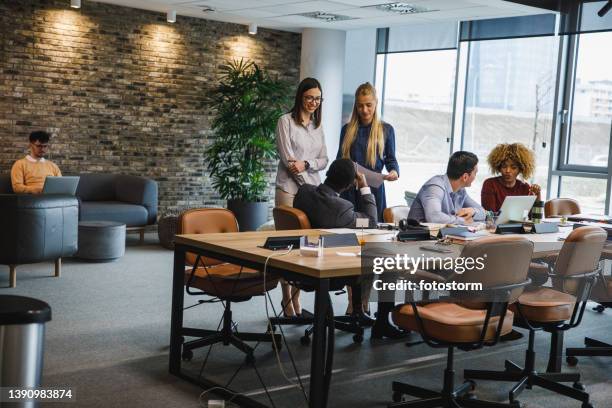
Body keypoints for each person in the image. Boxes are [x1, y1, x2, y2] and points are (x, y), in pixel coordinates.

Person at [294, 158, 406, 339]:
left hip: (301, 260)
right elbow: (370, 222)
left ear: (329, 172)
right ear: (348, 186)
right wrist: (364, 186)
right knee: (387, 262)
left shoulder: (304, 192)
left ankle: (358, 312)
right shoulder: (341, 209)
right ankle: (382, 323)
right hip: (331, 268)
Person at [275, 77, 329, 318]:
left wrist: (307, 163)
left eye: (317, 99)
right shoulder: (285, 122)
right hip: (289, 190)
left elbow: (324, 160)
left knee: (306, 248)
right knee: (287, 247)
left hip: (312, 192)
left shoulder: (318, 126)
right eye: (309, 98)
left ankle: (297, 299)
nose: (313, 102)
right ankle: (286, 299)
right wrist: (305, 182)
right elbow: (289, 162)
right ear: (300, 97)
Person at [337, 82, 399, 222]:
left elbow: (391, 159)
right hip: (350, 192)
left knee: (372, 229)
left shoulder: (387, 130)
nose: (364, 110)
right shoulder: (346, 130)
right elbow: (339, 161)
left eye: (368, 105)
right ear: (356, 106)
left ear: (376, 103)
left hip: (374, 191)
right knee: (350, 229)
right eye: (360, 105)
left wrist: (394, 171)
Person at [408, 151, 485, 224]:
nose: (475, 176)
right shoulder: (435, 187)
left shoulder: (460, 191)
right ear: (465, 177)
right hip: (420, 236)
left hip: (443, 235)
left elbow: (483, 212)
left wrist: (473, 211)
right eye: (475, 173)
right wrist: (462, 221)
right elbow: (434, 217)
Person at [481, 143, 541, 212]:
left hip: (520, 223)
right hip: (495, 223)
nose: (508, 171)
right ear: (499, 167)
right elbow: (489, 216)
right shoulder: (490, 185)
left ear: (520, 169)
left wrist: (537, 195)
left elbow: (533, 217)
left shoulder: (525, 188)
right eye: (504, 166)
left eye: (513, 167)